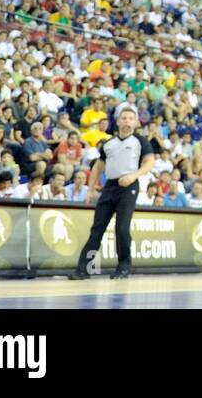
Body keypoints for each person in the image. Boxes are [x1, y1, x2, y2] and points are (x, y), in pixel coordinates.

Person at [69, 103, 158, 280]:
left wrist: (133, 176)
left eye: (131, 119)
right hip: (110, 187)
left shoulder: (140, 141)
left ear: (136, 122)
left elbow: (149, 162)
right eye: (124, 118)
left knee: (122, 228)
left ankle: (124, 267)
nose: (127, 121)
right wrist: (90, 189)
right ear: (117, 122)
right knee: (97, 229)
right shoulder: (109, 143)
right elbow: (97, 168)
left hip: (128, 187)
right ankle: (84, 269)